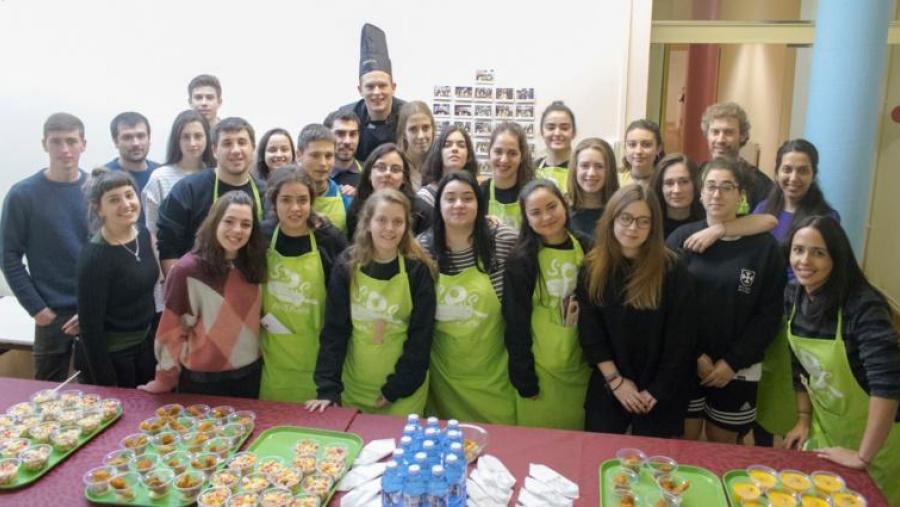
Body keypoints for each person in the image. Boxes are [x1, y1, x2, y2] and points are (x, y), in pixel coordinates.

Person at [780, 216, 900, 505]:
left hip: (878, 438)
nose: (804, 260)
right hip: (828, 429)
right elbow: (800, 364)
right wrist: (803, 418)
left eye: (818, 252)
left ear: (837, 256)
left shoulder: (863, 306)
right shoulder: (794, 296)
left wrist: (863, 456)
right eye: (798, 250)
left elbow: (888, 384)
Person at [666, 158, 786, 444]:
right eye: (710, 187)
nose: (717, 194)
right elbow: (668, 307)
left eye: (726, 187)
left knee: (724, 452)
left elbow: (769, 314)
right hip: (687, 362)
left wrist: (732, 362)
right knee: (684, 447)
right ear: (700, 193)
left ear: (740, 194)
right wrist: (695, 355)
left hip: (738, 369)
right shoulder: (681, 240)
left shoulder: (764, 248)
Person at [577, 185, 694, 436]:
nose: (633, 228)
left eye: (643, 221)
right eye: (626, 218)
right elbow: (590, 333)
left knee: (655, 470)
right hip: (610, 383)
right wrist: (616, 381)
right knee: (600, 462)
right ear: (612, 219)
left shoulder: (673, 268)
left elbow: (682, 340)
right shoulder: (592, 266)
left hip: (661, 388)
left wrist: (656, 391)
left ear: (654, 226)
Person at [307, 189, 436, 415]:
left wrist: (395, 389)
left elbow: (421, 337)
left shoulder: (417, 270)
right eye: (381, 220)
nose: (389, 228)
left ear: (406, 227)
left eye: (398, 222)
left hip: (404, 391)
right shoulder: (347, 265)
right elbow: (335, 331)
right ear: (367, 223)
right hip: (354, 387)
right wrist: (328, 388)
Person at [139, 191, 267, 396]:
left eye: (246, 224)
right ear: (215, 222)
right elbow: (170, 331)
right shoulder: (186, 270)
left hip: (251, 374)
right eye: (229, 221)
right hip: (202, 380)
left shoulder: (254, 263)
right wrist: (164, 379)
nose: (237, 230)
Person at [418, 172, 518, 424]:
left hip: (495, 374)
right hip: (445, 378)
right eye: (450, 198)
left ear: (480, 205)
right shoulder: (423, 249)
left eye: (467, 198)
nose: (459, 205)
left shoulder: (502, 240)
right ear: (438, 205)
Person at [1, 113, 89, 381]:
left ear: (83, 144)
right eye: (56, 142)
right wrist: (36, 308)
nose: (64, 150)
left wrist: (99, 307)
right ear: (44, 144)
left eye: (71, 141)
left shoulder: (97, 189)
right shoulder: (23, 195)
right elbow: (8, 255)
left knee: (100, 394)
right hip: (51, 315)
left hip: (93, 310)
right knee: (47, 398)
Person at [503, 179, 591, 430]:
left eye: (552, 207)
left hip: (581, 367)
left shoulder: (588, 247)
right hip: (539, 371)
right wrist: (524, 376)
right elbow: (515, 322)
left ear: (564, 204)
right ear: (526, 219)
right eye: (536, 213)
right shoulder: (520, 260)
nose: (546, 217)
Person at [259, 165, 348, 403]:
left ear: (312, 201)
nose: (295, 208)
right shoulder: (261, 238)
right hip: (274, 360)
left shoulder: (330, 240)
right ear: (274, 201)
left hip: (320, 359)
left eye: (302, 200)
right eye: (286, 200)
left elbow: (344, 305)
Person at [75, 169, 159, 387]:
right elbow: (90, 330)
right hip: (114, 358)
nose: (126, 204)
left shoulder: (142, 234)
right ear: (99, 209)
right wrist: (107, 384)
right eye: (114, 200)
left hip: (146, 347)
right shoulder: (95, 257)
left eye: (129, 195)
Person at [156, 117, 266, 276]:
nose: (235, 150)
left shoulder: (266, 193)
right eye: (227, 143)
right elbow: (168, 246)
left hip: (249, 286)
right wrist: (179, 290)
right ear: (214, 150)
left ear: (253, 148)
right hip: (198, 287)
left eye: (242, 142)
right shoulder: (188, 190)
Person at [339, 24, 406, 162]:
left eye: (382, 85)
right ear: (360, 90)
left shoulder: (408, 115)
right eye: (370, 86)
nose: (377, 92)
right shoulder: (347, 116)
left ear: (393, 87)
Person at [755, 139, 839, 244]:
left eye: (803, 171)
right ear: (776, 173)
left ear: (813, 175)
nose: (794, 178)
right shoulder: (762, 209)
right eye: (787, 169)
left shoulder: (827, 218)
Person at [346, 143, 432, 239]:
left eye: (395, 169)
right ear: (369, 174)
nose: (387, 173)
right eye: (381, 167)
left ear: (404, 177)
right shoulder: (356, 209)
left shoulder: (422, 212)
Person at [700, 101, 772, 213]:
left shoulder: (760, 184)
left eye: (728, 132)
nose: (720, 140)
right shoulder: (696, 175)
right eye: (715, 132)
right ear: (707, 135)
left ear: (742, 136)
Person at [296, 123, 352, 233]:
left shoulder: (347, 200)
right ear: (299, 156)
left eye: (329, 156)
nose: (323, 163)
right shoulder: (284, 198)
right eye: (315, 155)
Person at [481, 122, 535, 229]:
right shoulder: (480, 191)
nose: (504, 160)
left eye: (512, 153)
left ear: (522, 156)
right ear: (489, 152)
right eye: (498, 152)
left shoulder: (533, 192)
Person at [566, 137, 619, 240]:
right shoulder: (561, 210)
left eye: (599, 166)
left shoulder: (620, 210)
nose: (591, 173)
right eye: (584, 166)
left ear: (609, 170)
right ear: (575, 169)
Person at [417, 125, 479, 207]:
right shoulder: (425, 197)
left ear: (468, 155)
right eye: (447, 145)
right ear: (439, 153)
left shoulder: (476, 192)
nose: (454, 149)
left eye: (461, 145)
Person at [651, 153, 705, 238]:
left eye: (684, 182)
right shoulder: (649, 223)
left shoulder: (708, 220)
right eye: (669, 183)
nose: (677, 190)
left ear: (695, 184)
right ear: (660, 187)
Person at [105, 111, 159, 193]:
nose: (135, 143)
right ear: (116, 142)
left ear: (149, 139)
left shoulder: (162, 174)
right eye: (127, 137)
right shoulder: (103, 177)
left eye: (141, 136)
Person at [535, 101, 576, 191]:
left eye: (564, 128)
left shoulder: (582, 168)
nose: (557, 133)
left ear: (573, 132)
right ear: (542, 132)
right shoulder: (531, 170)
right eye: (551, 128)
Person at [396, 101, 435, 188]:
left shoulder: (441, 164)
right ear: (404, 133)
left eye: (426, 128)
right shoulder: (396, 166)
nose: (421, 136)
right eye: (413, 129)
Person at [618, 119, 664, 188]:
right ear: (625, 148)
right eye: (632, 145)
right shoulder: (615, 181)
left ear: (658, 149)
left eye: (646, 145)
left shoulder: (666, 183)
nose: (638, 151)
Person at [325, 109, 363, 189]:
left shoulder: (371, 173)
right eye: (340, 134)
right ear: (326, 136)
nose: (347, 141)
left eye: (353, 134)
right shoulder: (314, 174)